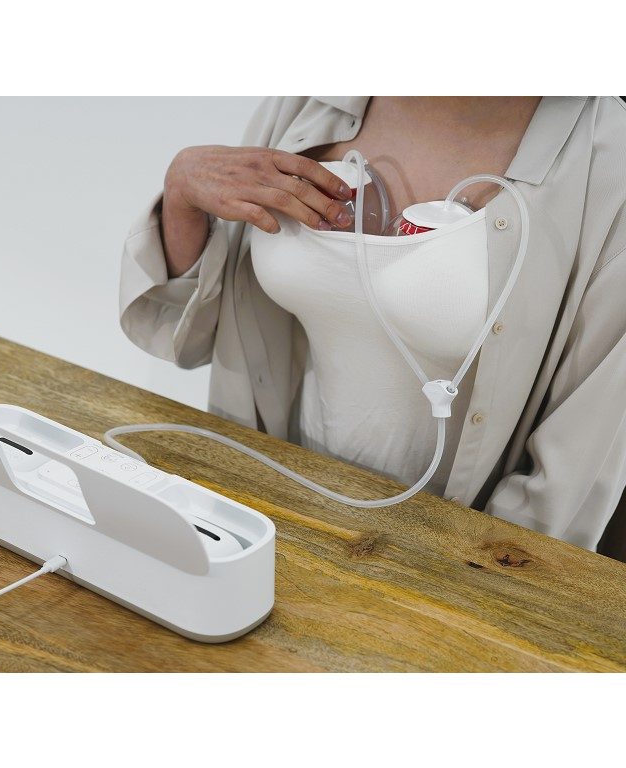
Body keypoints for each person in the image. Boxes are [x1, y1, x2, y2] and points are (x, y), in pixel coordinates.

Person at [119, 97, 626, 559]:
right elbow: (193, 335)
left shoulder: (609, 169)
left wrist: (464, 587)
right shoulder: (306, 105)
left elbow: (567, 482)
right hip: (268, 517)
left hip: (445, 565)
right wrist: (182, 195)